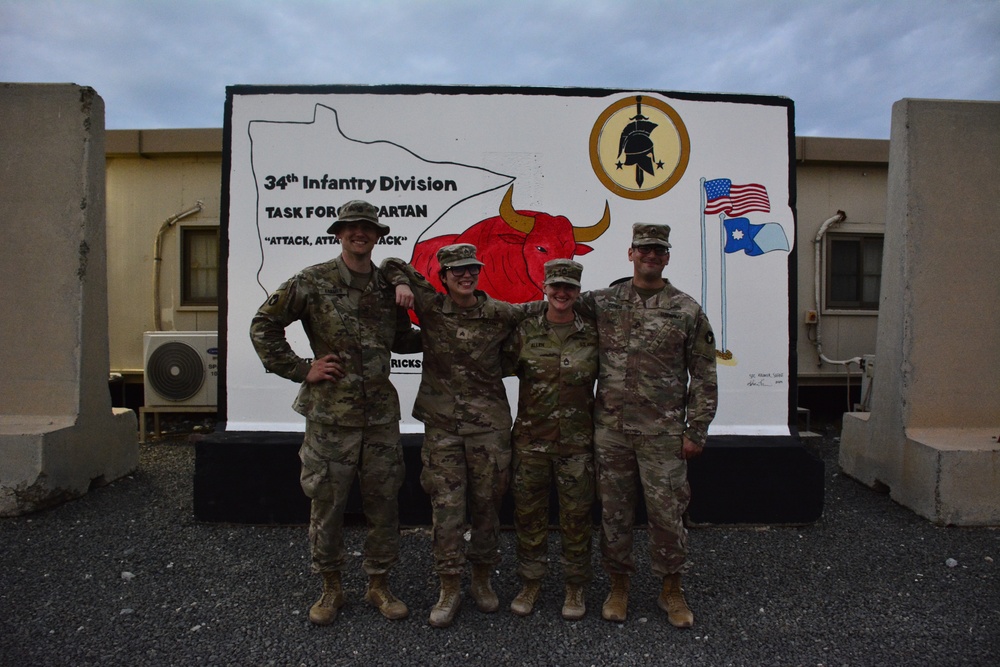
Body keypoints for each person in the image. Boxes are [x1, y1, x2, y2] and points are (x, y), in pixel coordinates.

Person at [249, 200, 421, 627]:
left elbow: (401, 340)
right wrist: (301, 369)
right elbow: (263, 324)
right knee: (328, 502)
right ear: (339, 234)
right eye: (350, 228)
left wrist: (454, 333)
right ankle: (331, 585)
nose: (358, 233)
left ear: (377, 235)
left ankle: (379, 583)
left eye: (366, 228)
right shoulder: (312, 282)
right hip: (330, 418)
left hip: (380, 417)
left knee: (385, 502)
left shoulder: (387, 285)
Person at [576, 223, 718, 628]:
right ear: (631, 253)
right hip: (612, 431)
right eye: (644, 249)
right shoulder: (603, 301)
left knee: (667, 514)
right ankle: (618, 584)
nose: (651, 256)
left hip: (663, 434)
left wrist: (697, 430)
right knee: (615, 514)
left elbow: (704, 373)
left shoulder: (686, 309)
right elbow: (557, 302)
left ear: (667, 257)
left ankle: (671, 589)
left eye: (659, 251)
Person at [383, 244, 524, 628]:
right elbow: (393, 263)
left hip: (488, 429)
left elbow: (540, 314)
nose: (466, 275)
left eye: (472, 269)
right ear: (442, 277)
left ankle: (481, 580)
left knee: (487, 507)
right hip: (443, 428)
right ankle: (448, 587)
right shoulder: (430, 307)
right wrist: (400, 283)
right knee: (446, 511)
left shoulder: (499, 313)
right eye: (457, 270)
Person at [504, 259, 598, 620]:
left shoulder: (592, 334)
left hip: (577, 444)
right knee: (529, 516)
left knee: (576, 517)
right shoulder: (525, 332)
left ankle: (575, 586)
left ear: (578, 292)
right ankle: (531, 582)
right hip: (531, 443)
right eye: (556, 286)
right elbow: (493, 366)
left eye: (569, 288)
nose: (562, 293)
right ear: (545, 288)